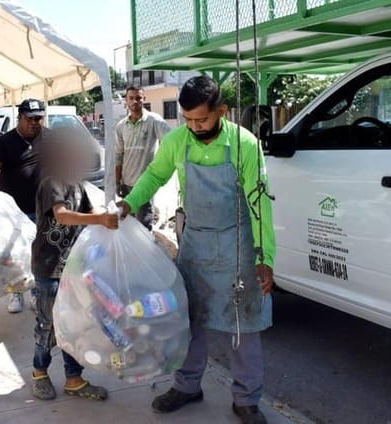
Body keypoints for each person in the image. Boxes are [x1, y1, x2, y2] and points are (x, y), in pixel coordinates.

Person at [117, 75, 276, 424]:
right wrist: (128, 204)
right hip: (196, 242)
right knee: (189, 321)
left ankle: (247, 399)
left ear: (221, 111)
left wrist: (266, 258)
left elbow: (259, 203)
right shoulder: (177, 140)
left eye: (201, 120)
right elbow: (154, 176)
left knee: (243, 325)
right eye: (187, 120)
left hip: (239, 244)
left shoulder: (244, 144)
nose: (194, 127)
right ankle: (187, 386)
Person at [30, 128, 117, 402]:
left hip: (72, 268)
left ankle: (74, 379)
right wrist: (99, 221)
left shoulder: (78, 185)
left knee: (73, 325)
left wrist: (114, 217)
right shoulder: (51, 183)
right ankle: (39, 373)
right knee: (48, 325)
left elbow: (91, 212)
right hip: (49, 269)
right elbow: (64, 216)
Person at [0, 98, 46, 313]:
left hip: (43, 209)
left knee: (39, 256)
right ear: (20, 117)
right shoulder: (5, 142)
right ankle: (16, 293)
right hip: (13, 212)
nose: (35, 122)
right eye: (30, 118)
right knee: (14, 257)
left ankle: (37, 295)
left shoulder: (50, 138)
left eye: (39, 118)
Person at [115, 85, 171, 230]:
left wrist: (160, 165)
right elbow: (118, 156)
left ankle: (145, 253)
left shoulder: (154, 121)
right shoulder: (121, 126)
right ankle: (131, 252)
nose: (135, 101)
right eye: (131, 98)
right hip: (126, 183)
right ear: (126, 101)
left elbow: (171, 143)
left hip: (145, 184)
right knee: (127, 223)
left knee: (144, 226)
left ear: (144, 99)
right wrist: (117, 181)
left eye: (138, 98)